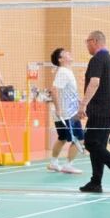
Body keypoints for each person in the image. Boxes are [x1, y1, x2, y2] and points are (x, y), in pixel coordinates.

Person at [77, 31, 110, 193]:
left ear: (94, 41)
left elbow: (94, 82)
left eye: (87, 42)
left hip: (100, 110)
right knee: (98, 146)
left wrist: (83, 104)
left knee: (90, 143)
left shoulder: (97, 59)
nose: (86, 45)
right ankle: (96, 182)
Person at [46, 47, 83, 175]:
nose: (69, 53)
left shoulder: (66, 71)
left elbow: (65, 91)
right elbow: (54, 90)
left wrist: (78, 101)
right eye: (65, 53)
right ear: (60, 59)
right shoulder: (63, 72)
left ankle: (54, 162)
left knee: (62, 138)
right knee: (79, 139)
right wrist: (58, 109)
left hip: (66, 112)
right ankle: (68, 165)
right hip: (67, 114)